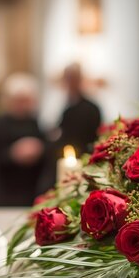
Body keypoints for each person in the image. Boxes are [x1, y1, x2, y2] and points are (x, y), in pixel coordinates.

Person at [38, 63, 101, 193]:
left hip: (80, 158)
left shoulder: (90, 108)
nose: (70, 81)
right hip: (54, 158)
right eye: (68, 77)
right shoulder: (55, 102)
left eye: (74, 77)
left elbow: (94, 136)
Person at [0, 73, 45, 206]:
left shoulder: (34, 123)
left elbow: (46, 146)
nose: (22, 105)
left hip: (32, 186)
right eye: (19, 100)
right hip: (7, 187)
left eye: (26, 100)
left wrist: (39, 149)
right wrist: (13, 153)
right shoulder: (0, 123)